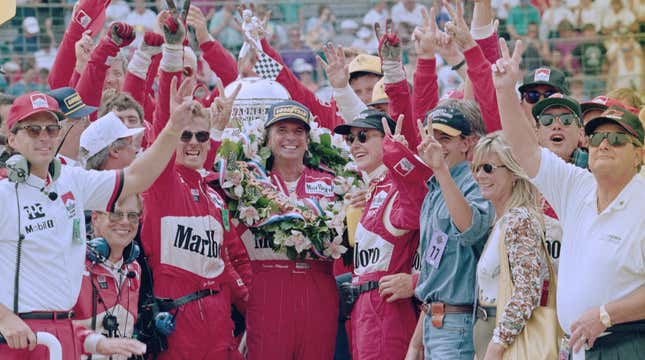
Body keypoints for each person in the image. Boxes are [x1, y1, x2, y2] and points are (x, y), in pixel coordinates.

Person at [0, 86, 198, 359]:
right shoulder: (3, 193)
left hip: (66, 329)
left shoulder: (72, 179)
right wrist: (3, 317)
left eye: (52, 129)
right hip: (17, 335)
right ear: (12, 138)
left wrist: (173, 128)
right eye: (33, 130)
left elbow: (138, 177)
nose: (44, 137)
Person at [494, 38, 645, 360]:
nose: (605, 144)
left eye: (618, 139)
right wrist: (505, 91)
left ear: (638, 154)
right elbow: (525, 148)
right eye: (599, 137)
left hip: (627, 344)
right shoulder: (576, 187)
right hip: (578, 347)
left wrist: (607, 314)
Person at [237, 100, 338, 360]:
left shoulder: (331, 182)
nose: (290, 138)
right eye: (282, 130)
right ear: (268, 139)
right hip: (267, 286)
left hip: (318, 284)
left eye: (298, 131)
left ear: (308, 139)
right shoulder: (249, 182)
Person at [334, 110, 432, 360]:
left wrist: (397, 156)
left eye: (364, 136)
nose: (355, 144)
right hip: (364, 308)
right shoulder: (372, 189)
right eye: (351, 139)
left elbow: (415, 209)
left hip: (386, 308)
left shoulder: (394, 185)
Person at [406, 106, 495, 359]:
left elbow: (470, 230)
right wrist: (416, 342)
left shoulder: (475, 180)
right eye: (432, 137)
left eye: (444, 138)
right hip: (433, 319)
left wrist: (441, 171)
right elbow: (434, 274)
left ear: (467, 143)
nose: (436, 146)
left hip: (459, 320)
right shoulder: (434, 187)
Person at [471, 133, 558, 359]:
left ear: (513, 173)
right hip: (490, 330)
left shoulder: (520, 219)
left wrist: (497, 344)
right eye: (476, 167)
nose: (479, 175)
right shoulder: (503, 221)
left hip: (506, 338)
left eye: (488, 168)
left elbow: (526, 292)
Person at [72, 195, 143, 360]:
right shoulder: (72, 262)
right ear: (95, 219)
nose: (125, 222)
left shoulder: (135, 268)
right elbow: (54, 327)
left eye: (132, 216)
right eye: (115, 214)